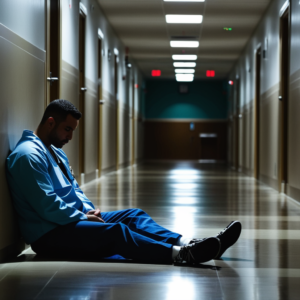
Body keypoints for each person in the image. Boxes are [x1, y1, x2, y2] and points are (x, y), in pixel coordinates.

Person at [6, 99, 242, 264]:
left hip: (72, 219)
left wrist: (89, 210)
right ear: (50, 122)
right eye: (67, 129)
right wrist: (82, 217)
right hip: (50, 234)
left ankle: (194, 243)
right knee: (116, 232)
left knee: (133, 215)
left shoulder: (55, 151)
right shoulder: (27, 155)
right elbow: (46, 205)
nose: (69, 137)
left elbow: (74, 190)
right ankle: (182, 254)